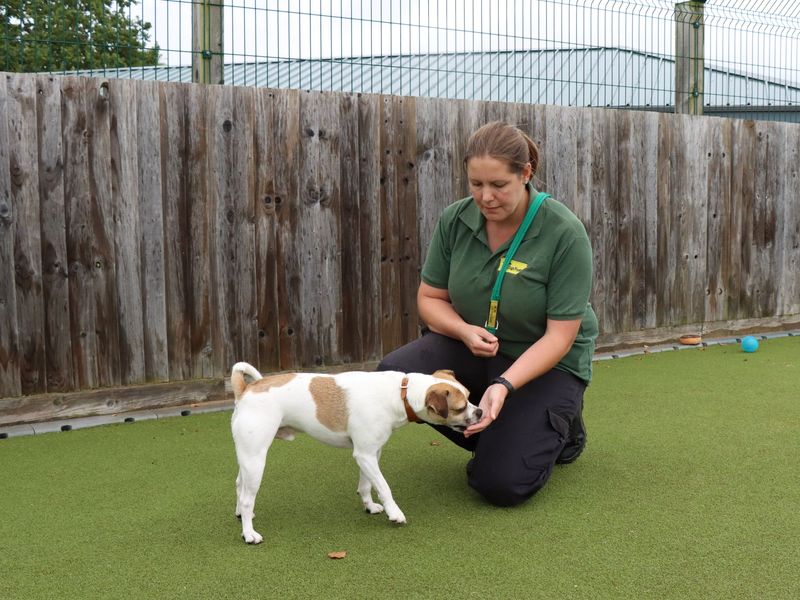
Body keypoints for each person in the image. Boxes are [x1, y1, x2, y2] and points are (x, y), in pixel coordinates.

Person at [378, 121, 598, 507]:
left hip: (547, 361)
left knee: (500, 485)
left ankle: (560, 428)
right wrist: (462, 330)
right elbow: (430, 299)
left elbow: (559, 338)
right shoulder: (455, 220)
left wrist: (505, 386)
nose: (486, 197)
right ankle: (503, 435)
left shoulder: (564, 232)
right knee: (394, 380)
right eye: (476, 184)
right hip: (476, 349)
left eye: (498, 185)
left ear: (525, 173)